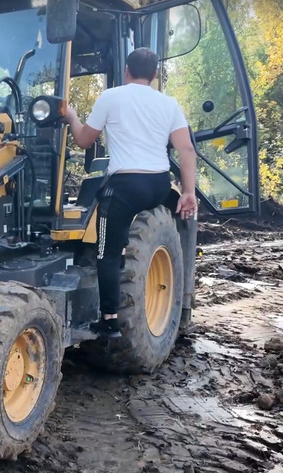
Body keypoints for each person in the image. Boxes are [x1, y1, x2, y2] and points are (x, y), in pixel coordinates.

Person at [64, 47, 198, 339]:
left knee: (106, 252)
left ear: (126, 70)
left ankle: (109, 320)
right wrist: (189, 192)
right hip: (159, 185)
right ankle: (129, 248)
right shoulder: (169, 104)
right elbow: (187, 149)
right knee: (120, 235)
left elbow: (85, 140)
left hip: (125, 186)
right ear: (154, 75)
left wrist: (72, 116)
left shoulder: (111, 97)